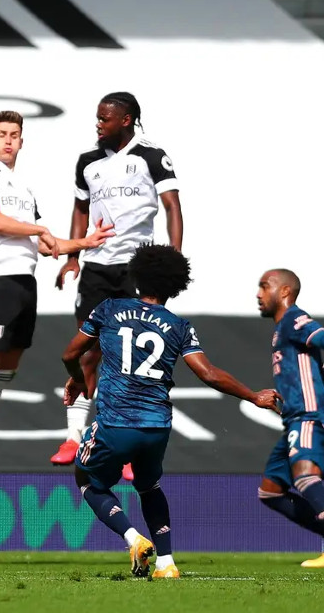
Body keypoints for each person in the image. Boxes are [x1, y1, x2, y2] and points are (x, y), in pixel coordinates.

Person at [62, 244, 278, 579]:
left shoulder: (110, 309)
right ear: (176, 284)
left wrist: (77, 379)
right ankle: (166, 563)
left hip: (116, 422)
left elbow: (70, 354)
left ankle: (133, 538)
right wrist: (253, 396)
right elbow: (208, 373)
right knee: (149, 487)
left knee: (86, 477)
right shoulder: (178, 326)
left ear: (135, 276)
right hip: (157, 428)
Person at [0, 111, 113, 500]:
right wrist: (40, 229)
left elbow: (46, 245)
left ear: (21, 141)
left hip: (23, 282)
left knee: (4, 376)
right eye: (1, 134)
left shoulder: (23, 186)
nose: (7, 141)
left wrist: (83, 243)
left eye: (14, 135)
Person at [52, 92, 184, 481]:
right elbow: (79, 209)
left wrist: (172, 260)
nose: (98, 124)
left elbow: (173, 207)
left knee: (128, 359)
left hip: (135, 268)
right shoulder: (88, 162)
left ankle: (122, 443)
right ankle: (74, 436)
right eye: (97, 118)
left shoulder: (151, 156)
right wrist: (73, 257)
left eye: (105, 119)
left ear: (126, 120)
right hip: (96, 267)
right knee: (86, 350)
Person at [253, 269, 324, 568]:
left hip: (308, 417)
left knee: (307, 476)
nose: (258, 294)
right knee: (270, 492)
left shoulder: (295, 319)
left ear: (284, 292)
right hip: (293, 418)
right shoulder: (280, 328)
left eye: (263, 286)